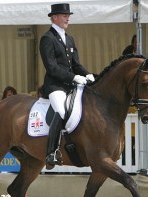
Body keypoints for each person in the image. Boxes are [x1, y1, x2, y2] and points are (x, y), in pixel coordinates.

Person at [39, 3, 95, 169]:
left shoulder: (69, 38)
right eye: (64, 15)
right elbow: (52, 67)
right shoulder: (47, 39)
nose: (67, 18)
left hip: (71, 85)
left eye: (68, 15)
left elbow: (76, 64)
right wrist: (74, 77)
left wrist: (87, 74)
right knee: (62, 111)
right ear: (54, 17)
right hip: (56, 86)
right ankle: (51, 152)